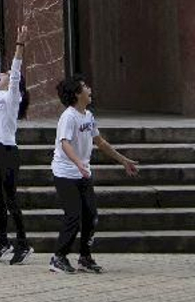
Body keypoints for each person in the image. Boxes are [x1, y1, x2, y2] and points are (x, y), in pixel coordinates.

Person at [48, 75, 139, 274]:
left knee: (91, 215)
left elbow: (100, 142)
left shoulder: (88, 116)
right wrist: (78, 162)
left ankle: (85, 257)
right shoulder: (69, 116)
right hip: (65, 173)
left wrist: (123, 160)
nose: (90, 89)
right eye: (85, 87)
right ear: (77, 94)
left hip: (83, 173)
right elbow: (64, 143)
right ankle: (58, 257)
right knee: (74, 215)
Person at [0, 25, 30, 265]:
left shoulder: (12, 97)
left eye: (3, 75)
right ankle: (3, 241)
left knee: (10, 198)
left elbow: (14, 71)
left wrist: (20, 45)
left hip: (8, 151)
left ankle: (23, 242)